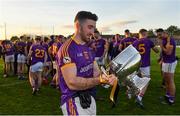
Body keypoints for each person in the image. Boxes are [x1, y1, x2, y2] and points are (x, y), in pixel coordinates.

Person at [56, 11, 117, 115]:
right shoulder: (67, 49)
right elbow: (72, 83)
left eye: (94, 28)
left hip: (90, 98)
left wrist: (108, 78)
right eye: (90, 27)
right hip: (73, 101)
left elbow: (96, 73)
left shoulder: (88, 47)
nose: (92, 32)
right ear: (78, 26)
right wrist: (100, 80)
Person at [132, 29, 159, 108]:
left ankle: (136, 93)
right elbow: (157, 51)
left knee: (138, 79)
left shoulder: (135, 42)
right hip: (145, 64)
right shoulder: (148, 41)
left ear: (139, 34)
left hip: (136, 64)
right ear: (145, 33)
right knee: (146, 80)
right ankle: (139, 97)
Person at [156, 28, 177, 105]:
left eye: (160, 34)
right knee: (166, 80)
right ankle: (167, 95)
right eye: (157, 35)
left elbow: (168, 52)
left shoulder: (170, 40)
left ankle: (171, 100)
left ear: (164, 33)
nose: (158, 36)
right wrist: (161, 59)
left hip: (170, 63)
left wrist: (161, 46)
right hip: (165, 62)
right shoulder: (165, 39)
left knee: (170, 81)